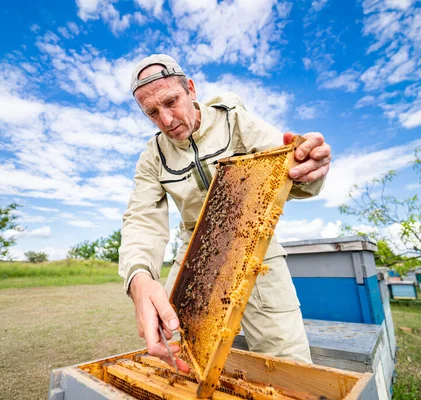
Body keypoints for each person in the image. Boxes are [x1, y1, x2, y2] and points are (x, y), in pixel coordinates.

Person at [119, 54, 331, 372]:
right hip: (194, 250)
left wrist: (309, 162)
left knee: (286, 360)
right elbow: (142, 218)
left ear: (190, 89)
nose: (166, 120)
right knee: (175, 353)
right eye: (152, 112)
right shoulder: (152, 157)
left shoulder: (233, 119)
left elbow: (291, 173)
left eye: (171, 101)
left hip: (253, 238)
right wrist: (139, 277)